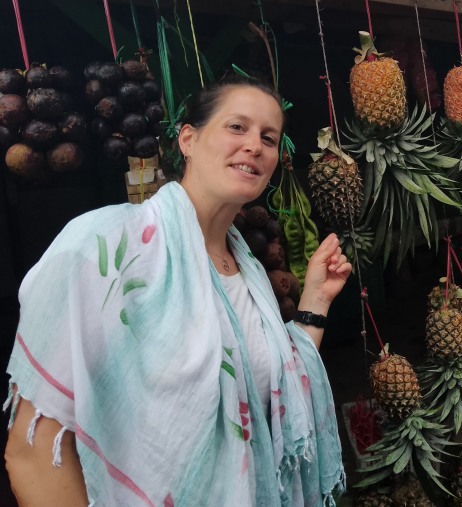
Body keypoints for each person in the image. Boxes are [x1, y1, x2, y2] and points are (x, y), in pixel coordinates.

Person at [4, 75, 350, 506]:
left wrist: (316, 301)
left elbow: (281, 384)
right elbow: (33, 451)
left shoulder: (248, 273)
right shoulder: (104, 248)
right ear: (188, 139)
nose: (254, 146)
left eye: (269, 137)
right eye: (237, 127)